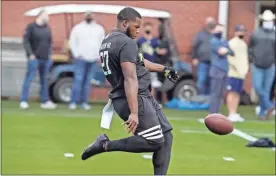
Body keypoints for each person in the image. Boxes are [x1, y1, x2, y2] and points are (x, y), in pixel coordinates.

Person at [81, 7, 179, 175]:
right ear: (125, 23)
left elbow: (139, 62)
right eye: (136, 26)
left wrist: (164, 69)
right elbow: (130, 78)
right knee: (155, 140)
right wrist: (134, 112)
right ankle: (104, 145)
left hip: (141, 96)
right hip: (133, 97)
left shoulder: (110, 40)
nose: (139, 31)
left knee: (166, 135)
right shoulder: (126, 43)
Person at [20, 10, 56, 109]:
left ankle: (45, 101)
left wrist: (50, 55)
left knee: (44, 80)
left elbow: (49, 42)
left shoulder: (47, 28)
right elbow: (26, 41)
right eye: (46, 16)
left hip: (45, 58)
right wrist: (30, 54)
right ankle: (23, 100)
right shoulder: (31, 27)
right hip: (34, 58)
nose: (48, 18)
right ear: (40, 16)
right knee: (29, 78)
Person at [69, 11, 105, 110]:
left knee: (88, 81)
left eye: (91, 15)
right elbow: (72, 42)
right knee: (78, 80)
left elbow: (102, 43)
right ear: (84, 16)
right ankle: (73, 102)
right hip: (81, 58)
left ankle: (84, 102)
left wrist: (99, 56)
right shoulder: (78, 28)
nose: (89, 17)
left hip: (93, 59)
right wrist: (76, 54)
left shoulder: (99, 29)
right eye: (87, 15)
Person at [248, 9, 275, 120]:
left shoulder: (275, 34)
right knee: (259, 88)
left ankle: (262, 113)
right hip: (257, 65)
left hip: (271, 65)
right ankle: (270, 106)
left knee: (267, 90)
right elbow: (250, 48)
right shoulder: (256, 33)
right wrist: (252, 59)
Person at [209, 24, 234, 114]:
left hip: (224, 70)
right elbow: (220, 51)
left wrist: (226, 50)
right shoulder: (213, 41)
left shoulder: (224, 41)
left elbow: (231, 52)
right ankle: (212, 113)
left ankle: (217, 112)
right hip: (216, 70)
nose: (220, 32)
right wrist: (225, 50)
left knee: (221, 94)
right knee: (215, 93)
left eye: (221, 30)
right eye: (218, 30)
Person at [226, 25, 249, 122]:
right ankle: (230, 113)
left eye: (243, 31)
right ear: (236, 32)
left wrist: (244, 69)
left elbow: (244, 58)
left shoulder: (243, 44)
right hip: (233, 72)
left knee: (237, 93)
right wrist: (236, 67)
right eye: (240, 31)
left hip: (241, 73)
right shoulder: (231, 43)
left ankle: (234, 112)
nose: (241, 33)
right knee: (232, 92)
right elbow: (229, 57)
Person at [192, 17, 217, 95]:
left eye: (212, 22)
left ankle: (209, 101)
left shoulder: (217, 35)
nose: (211, 24)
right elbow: (194, 46)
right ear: (206, 24)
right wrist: (194, 58)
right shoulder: (200, 35)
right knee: (201, 81)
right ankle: (200, 99)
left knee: (211, 82)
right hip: (203, 62)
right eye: (209, 22)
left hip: (214, 63)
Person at [137, 22, 162, 94]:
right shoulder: (140, 40)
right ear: (144, 28)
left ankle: (152, 101)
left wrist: (161, 51)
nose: (148, 28)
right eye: (146, 27)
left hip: (152, 64)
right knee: (142, 83)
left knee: (152, 83)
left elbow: (158, 50)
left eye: (149, 27)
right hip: (142, 65)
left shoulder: (155, 41)